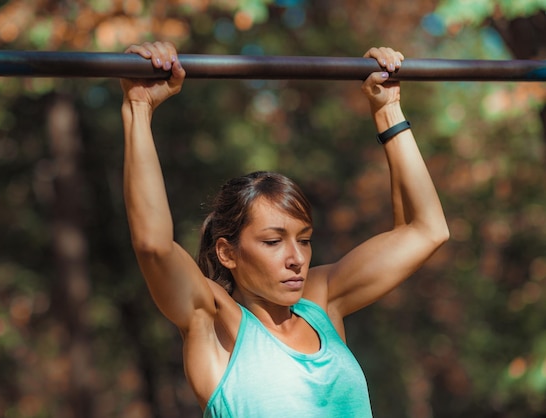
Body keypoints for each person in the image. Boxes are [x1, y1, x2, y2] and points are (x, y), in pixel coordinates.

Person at [120, 41, 449, 417]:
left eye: (305, 240)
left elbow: (427, 230)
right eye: (273, 241)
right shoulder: (213, 322)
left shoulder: (321, 303)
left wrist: (388, 111)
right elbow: (153, 246)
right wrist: (138, 109)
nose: (297, 259)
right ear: (227, 252)